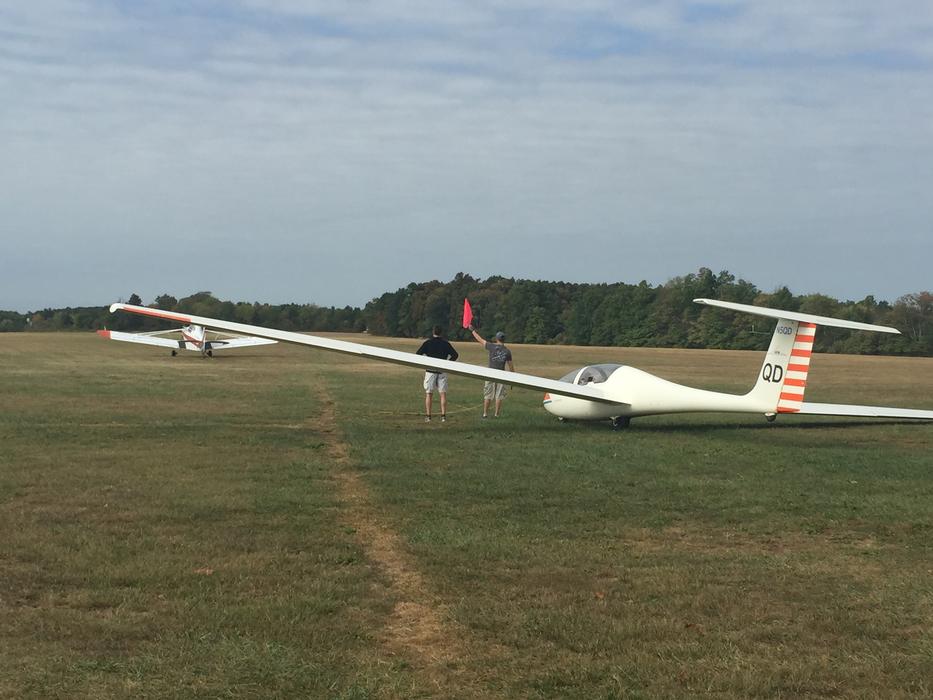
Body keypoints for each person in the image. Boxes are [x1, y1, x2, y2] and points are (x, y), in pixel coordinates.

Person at [468, 325, 514, 418]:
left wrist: (473, 330)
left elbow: (480, 340)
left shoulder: (491, 346)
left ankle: (485, 414)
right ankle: (496, 414)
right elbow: (511, 366)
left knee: (488, 394)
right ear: (504, 340)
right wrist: (513, 378)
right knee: (499, 395)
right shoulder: (507, 351)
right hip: (502, 374)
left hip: (490, 373)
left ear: (497, 339)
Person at [415, 325, 459, 422]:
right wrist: (447, 363)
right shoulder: (445, 343)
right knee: (442, 394)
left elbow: (418, 354)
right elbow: (455, 355)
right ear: (441, 333)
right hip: (442, 371)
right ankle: (443, 416)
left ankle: (428, 416)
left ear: (433, 332)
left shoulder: (428, 343)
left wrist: (426, 361)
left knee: (429, 393)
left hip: (430, 371)